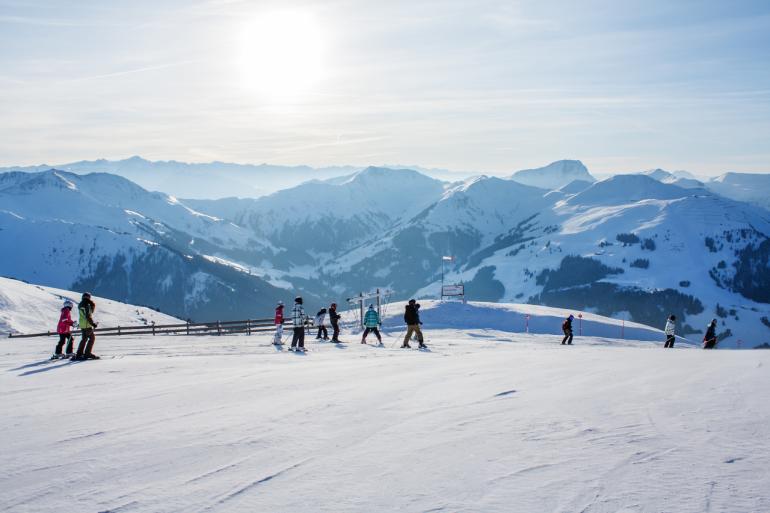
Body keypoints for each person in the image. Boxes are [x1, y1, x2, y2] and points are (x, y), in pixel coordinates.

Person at [73, 292, 99, 360]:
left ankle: (79, 354)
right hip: (87, 325)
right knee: (92, 338)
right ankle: (87, 353)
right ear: (89, 297)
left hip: (82, 325)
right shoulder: (87, 305)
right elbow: (88, 316)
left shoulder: (81, 304)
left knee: (84, 339)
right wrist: (93, 324)